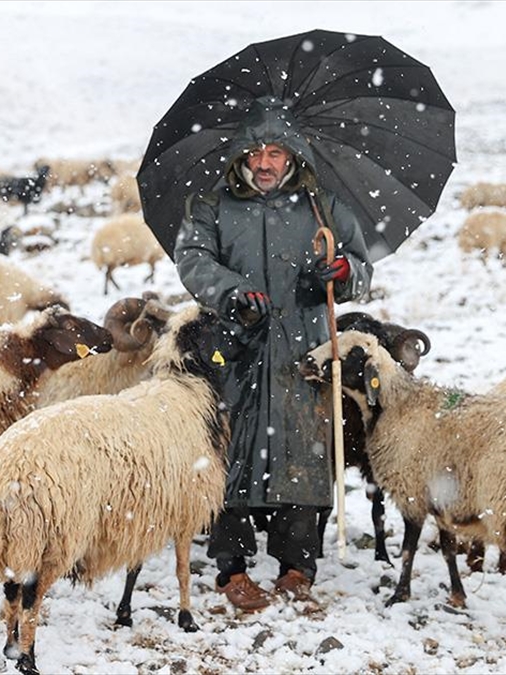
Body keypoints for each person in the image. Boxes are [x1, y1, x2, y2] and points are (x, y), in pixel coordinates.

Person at [174, 96, 374, 611]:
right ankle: (232, 569)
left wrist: (342, 273)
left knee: (304, 452)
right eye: (256, 152)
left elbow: (360, 265)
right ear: (242, 156)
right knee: (228, 453)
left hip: (304, 350)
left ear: (293, 157)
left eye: (276, 153)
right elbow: (192, 260)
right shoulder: (212, 206)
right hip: (236, 349)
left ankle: (296, 567)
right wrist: (231, 291)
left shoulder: (322, 208)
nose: (265, 163)